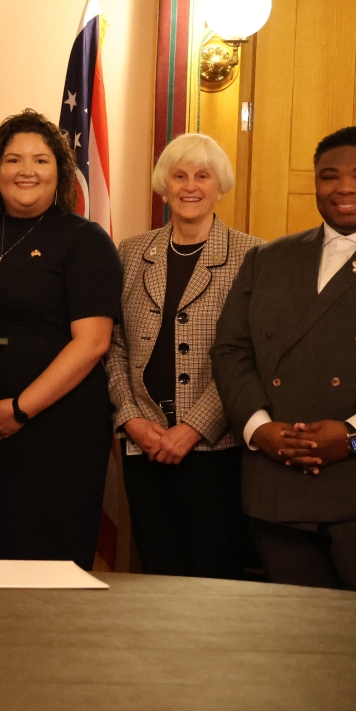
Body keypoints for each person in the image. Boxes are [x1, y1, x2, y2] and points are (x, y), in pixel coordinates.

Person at [212, 126, 356, 599]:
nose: (345, 188)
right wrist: (259, 429)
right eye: (329, 176)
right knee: (295, 657)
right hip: (281, 491)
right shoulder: (267, 259)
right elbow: (231, 351)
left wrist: (354, 436)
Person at [106, 133, 262, 578]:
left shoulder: (252, 255)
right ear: (164, 184)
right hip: (144, 443)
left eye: (202, 175)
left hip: (215, 449)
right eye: (179, 176)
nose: (190, 186)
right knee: (156, 569)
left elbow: (250, 355)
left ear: (219, 186)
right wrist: (131, 418)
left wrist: (194, 428)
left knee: (213, 573)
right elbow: (115, 344)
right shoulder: (133, 252)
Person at [0, 110, 121, 570]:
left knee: (47, 563)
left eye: (40, 160)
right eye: (13, 159)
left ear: (60, 173)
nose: (26, 171)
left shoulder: (85, 239)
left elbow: (92, 343)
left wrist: (19, 410)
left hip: (57, 430)